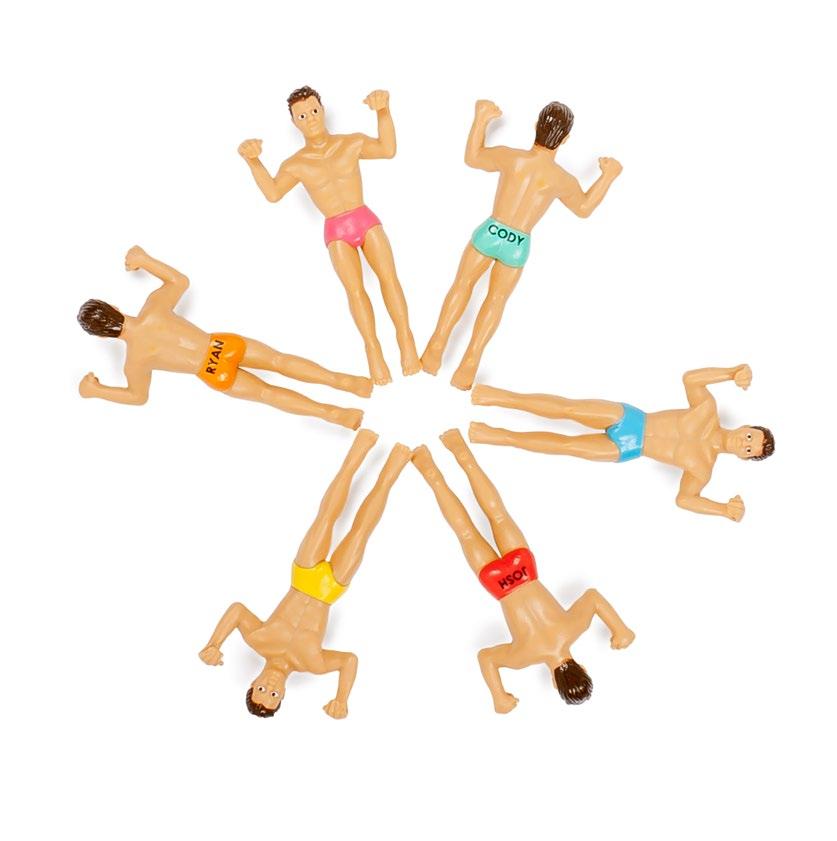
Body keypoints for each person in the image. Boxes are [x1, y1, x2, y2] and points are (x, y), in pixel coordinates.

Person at [412, 429, 634, 713]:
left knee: (498, 514)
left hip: (524, 570)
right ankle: (427, 467)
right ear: (554, 683)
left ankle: (459, 448)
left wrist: (620, 629)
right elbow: (486, 658)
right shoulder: (522, 656)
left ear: (583, 667)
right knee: (465, 532)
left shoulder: (573, 627)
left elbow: (593, 597)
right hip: (499, 585)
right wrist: (498, 696)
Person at [199, 430, 410, 718]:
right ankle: (396, 463)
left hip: (303, 577)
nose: (270, 687)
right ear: (283, 695)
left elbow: (236, 611)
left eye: (261, 690)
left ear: (253, 682)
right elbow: (348, 661)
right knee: (361, 532)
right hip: (329, 590)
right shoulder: (313, 664)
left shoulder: (259, 639)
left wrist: (214, 643)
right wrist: (341, 699)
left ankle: (360, 448)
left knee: (325, 518)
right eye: (274, 696)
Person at [421, 99, 622, 390]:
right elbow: (583, 208)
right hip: (518, 243)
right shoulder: (561, 179)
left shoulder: (513, 158)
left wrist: (481, 118)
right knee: (496, 300)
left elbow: (473, 157)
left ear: (536, 126)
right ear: (565, 138)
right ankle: (470, 363)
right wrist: (608, 177)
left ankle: (435, 347)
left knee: (462, 285)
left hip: (492, 230)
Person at [238, 85, 420, 384]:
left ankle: (406, 341)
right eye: (302, 116)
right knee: (355, 291)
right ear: (294, 122)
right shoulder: (296, 164)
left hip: (365, 220)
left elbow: (387, 149)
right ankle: (373, 351)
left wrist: (383, 111)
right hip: (336, 232)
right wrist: (253, 161)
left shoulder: (350, 143)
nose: (310, 118)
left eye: (313, 111)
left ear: (323, 111)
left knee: (389, 279)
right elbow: (273, 193)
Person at [78, 246, 368, 429]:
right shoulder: (154, 309)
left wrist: (97, 390)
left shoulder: (135, 361)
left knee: (267, 394)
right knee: (280, 361)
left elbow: (137, 396)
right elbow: (179, 281)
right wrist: (145, 259)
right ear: (115, 307)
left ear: (103, 337)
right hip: (219, 344)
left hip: (211, 371)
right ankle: (348, 382)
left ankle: (334, 415)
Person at [470, 365, 775, 521]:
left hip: (629, 448)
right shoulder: (707, 411)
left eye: (749, 450)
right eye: (750, 436)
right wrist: (731, 372)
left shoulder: (702, 467)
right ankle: (495, 396)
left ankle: (494, 435)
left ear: (744, 458)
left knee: (567, 446)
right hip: (631, 419)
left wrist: (723, 510)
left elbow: (685, 500)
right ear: (746, 426)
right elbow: (691, 379)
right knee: (569, 408)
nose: (744, 443)